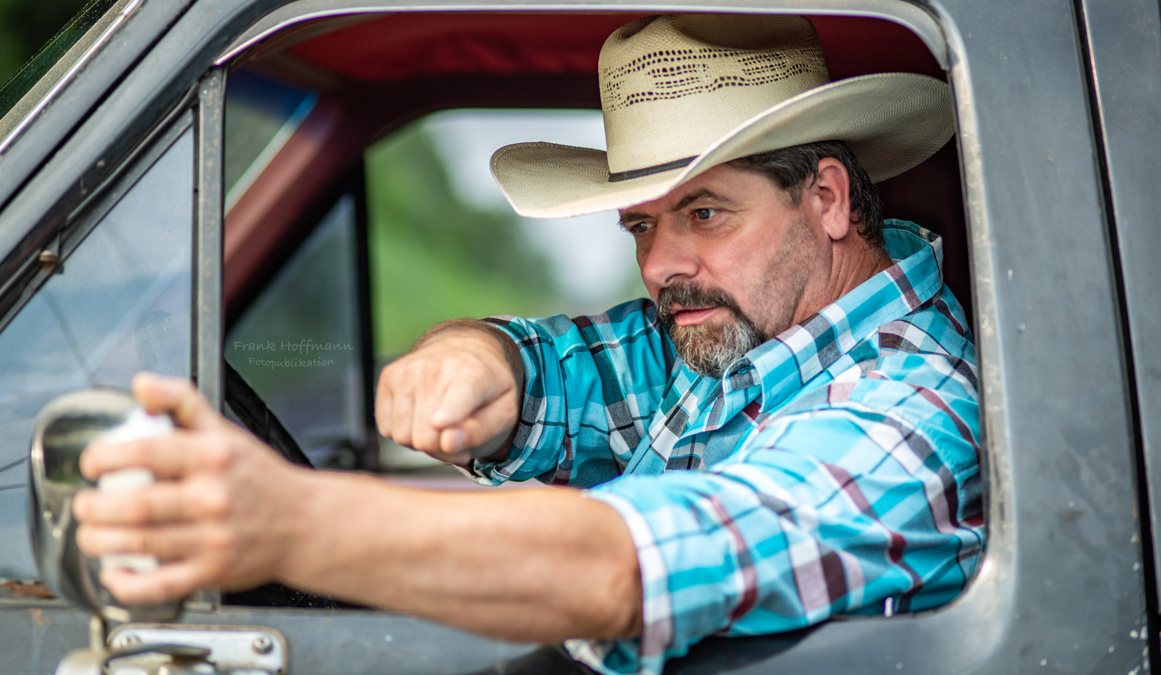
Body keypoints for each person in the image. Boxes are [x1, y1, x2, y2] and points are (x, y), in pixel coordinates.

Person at [72, 14, 983, 675]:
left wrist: (290, 520)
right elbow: (556, 362)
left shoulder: (915, 406)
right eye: (641, 225)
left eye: (705, 212)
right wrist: (475, 357)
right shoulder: (739, 332)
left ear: (825, 198)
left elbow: (630, 565)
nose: (661, 264)